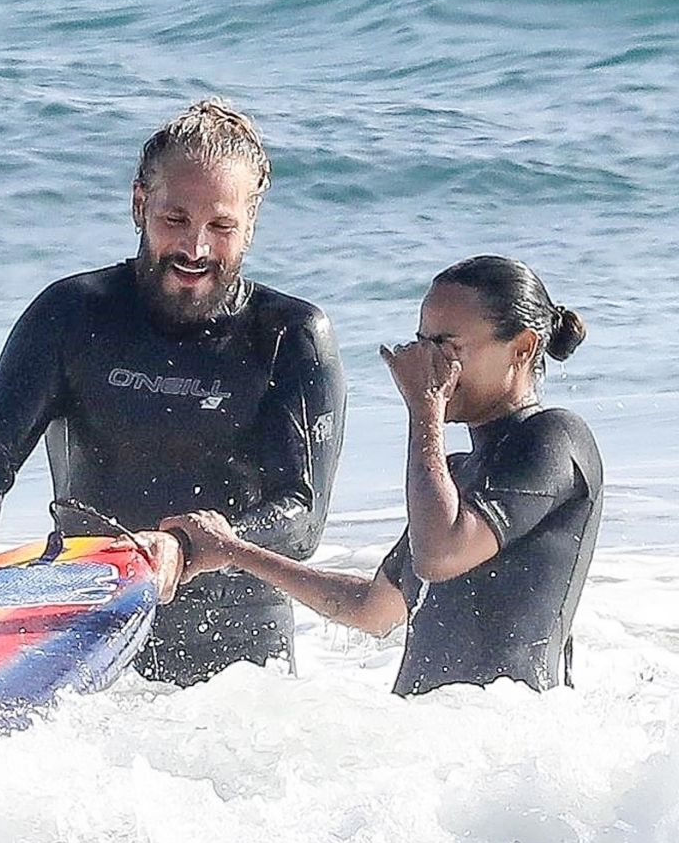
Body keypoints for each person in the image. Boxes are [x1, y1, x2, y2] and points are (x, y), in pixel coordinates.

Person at [0, 99, 346, 686]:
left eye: (222, 226)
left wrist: (185, 544)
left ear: (250, 225)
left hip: (240, 673)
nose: (196, 249)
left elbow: (302, 519)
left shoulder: (291, 337)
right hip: (84, 638)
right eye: (174, 219)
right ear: (139, 204)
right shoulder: (72, 315)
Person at [162, 255, 603, 695]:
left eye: (447, 347)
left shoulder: (556, 436)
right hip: (433, 740)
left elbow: (439, 556)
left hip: (511, 740)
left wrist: (425, 411)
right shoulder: (454, 477)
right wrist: (232, 551)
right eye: (422, 343)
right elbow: (373, 609)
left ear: (522, 348)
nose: (426, 362)